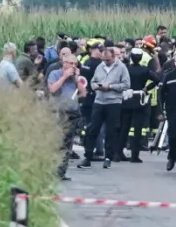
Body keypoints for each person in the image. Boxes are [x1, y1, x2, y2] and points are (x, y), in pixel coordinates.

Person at [80, 45, 128, 168]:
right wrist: (98, 86)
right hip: (99, 101)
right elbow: (93, 82)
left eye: (108, 60)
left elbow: (126, 84)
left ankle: (108, 157)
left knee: (111, 131)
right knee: (93, 129)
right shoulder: (99, 67)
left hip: (113, 102)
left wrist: (111, 87)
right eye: (104, 60)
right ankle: (88, 156)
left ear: (113, 57)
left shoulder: (121, 67)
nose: (105, 62)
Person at [46, 47, 87, 181]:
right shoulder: (55, 74)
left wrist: (76, 79)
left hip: (73, 112)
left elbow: (83, 92)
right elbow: (52, 89)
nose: (73, 66)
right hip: (58, 111)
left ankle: (61, 172)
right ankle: (50, 170)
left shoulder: (75, 77)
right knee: (57, 142)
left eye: (75, 64)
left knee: (67, 145)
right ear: (64, 63)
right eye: (71, 63)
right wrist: (64, 77)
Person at [121, 47, 155, 163]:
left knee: (124, 127)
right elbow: (157, 79)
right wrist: (146, 88)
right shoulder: (145, 70)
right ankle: (135, 155)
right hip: (139, 99)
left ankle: (118, 153)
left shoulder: (125, 69)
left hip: (126, 98)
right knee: (138, 128)